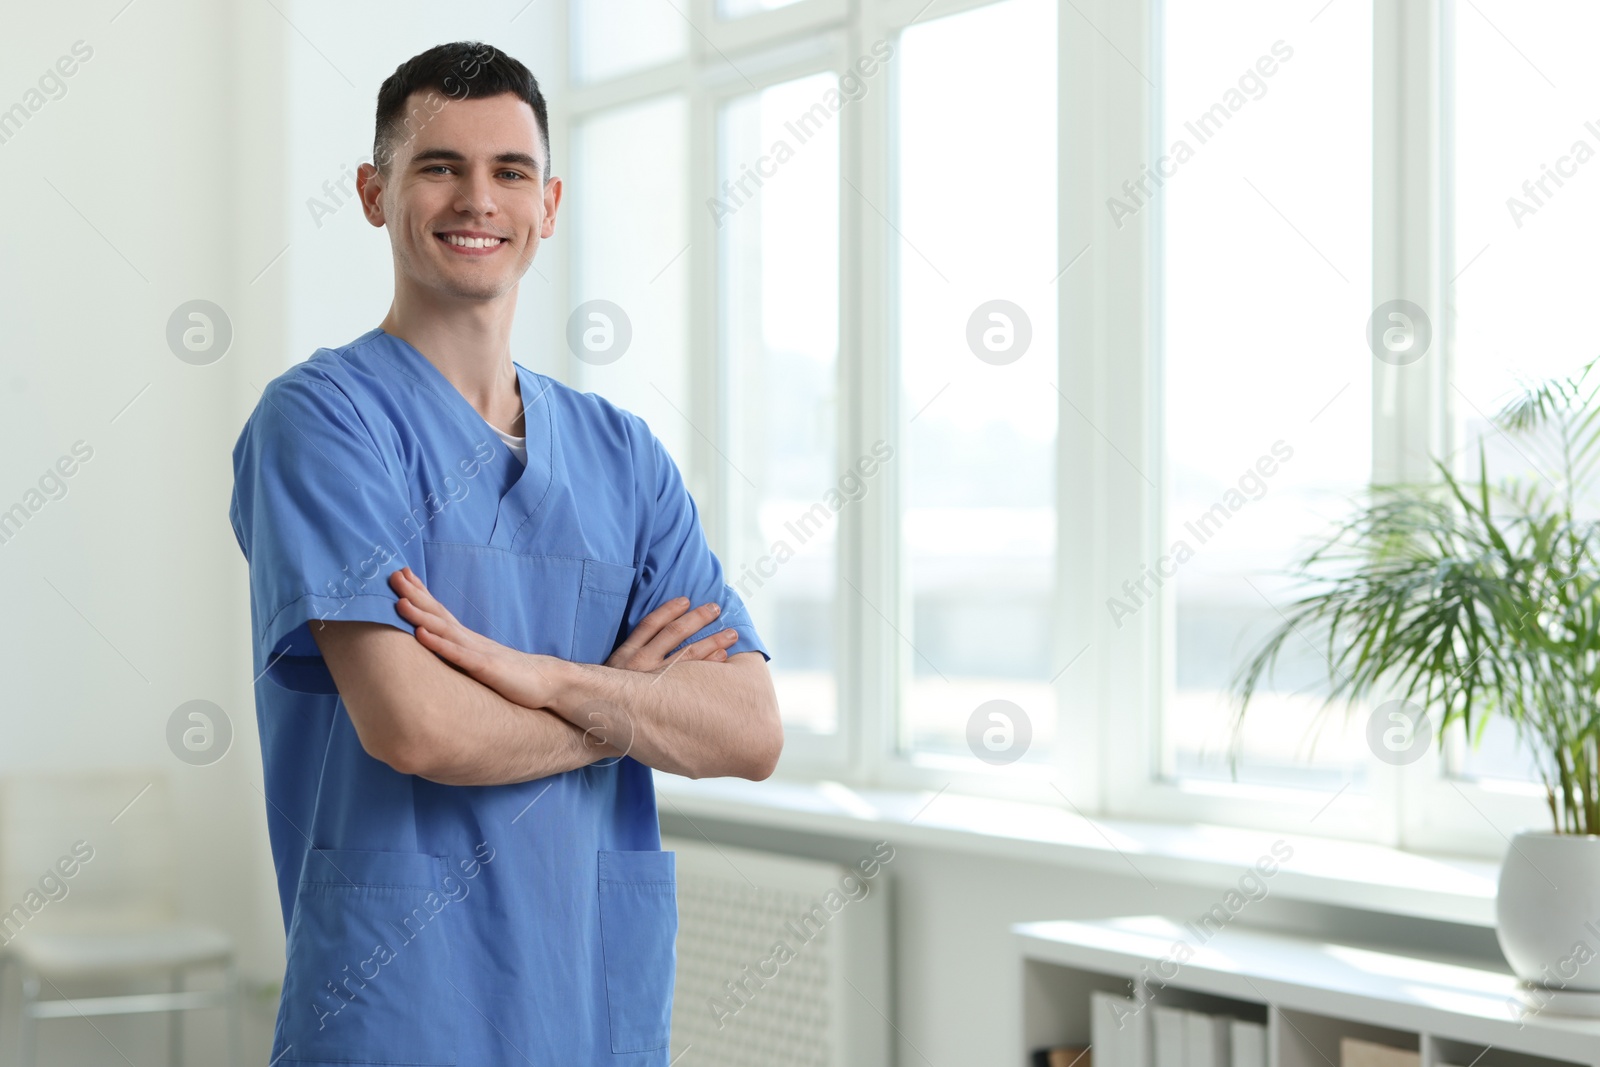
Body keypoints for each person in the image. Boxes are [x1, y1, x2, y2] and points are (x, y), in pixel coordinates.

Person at [228, 40, 781, 1066]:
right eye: (439, 165)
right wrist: (621, 707)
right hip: (397, 1004)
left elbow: (747, 730)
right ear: (372, 192)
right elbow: (419, 726)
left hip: (590, 1004)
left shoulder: (624, 455)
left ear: (549, 203)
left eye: (509, 171)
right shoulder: (323, 423)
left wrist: (541, 678)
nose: (476, 198)